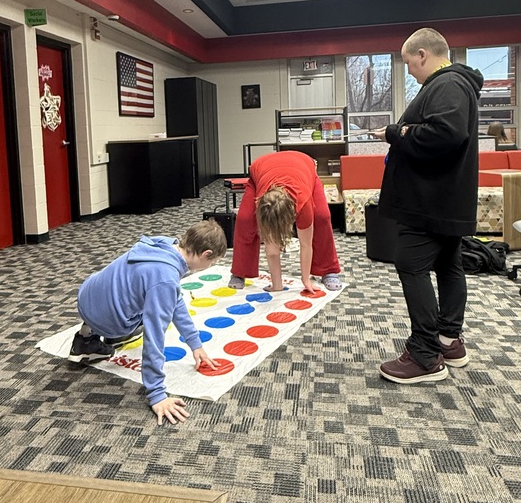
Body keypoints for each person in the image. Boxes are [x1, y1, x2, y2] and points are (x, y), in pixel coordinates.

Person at [373, 28, 483, 384]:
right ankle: (449, 341)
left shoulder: (447, 84)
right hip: (443, 199)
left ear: (423, 54)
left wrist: (397, 132)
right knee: (448, 264)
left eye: (408, 63)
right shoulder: (453, 84)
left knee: (411, 264)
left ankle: (424, 355)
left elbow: (445, 134)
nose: (409, 71)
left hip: (431, 200)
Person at [69, 219, 227, 425]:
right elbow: (155, 335)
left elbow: (175, 300)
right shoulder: (166, 278)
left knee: (129, 285)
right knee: (150, 313)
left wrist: (194, 343)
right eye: (212, 262)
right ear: (206, 254)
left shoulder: (161, 245)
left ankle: (85, 338)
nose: (210, 266)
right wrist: (157, 394)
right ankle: (108, 333)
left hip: (86, 298)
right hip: (110, 322)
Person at [229, 150, 341, 293]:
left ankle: (329, 269)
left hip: (304, 167)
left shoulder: (303, 202)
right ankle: (240, 272)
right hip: (263, 169)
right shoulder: (264, 204)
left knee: (322, 216)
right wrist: (277, 285)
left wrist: (305, 279)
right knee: (245, 219)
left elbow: (306, 245)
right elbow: (272, 251)